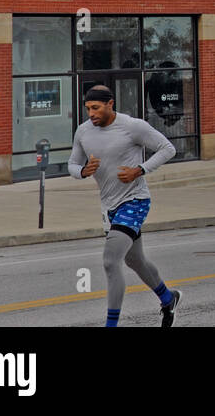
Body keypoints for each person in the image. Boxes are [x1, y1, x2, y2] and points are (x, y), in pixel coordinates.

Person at [68, 84, 180, 327]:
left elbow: (167, 148)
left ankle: (111, 325)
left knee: (110, 261)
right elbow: (72, 164)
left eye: (96, 108)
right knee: (134, 260)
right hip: (108, 206)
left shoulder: (132, 126)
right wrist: (83, 172)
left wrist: (140, 170)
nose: (91, 113)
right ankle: (168, 298)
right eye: (87, 108)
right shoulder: (83, 132)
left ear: (110, 104)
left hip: (135, 200)